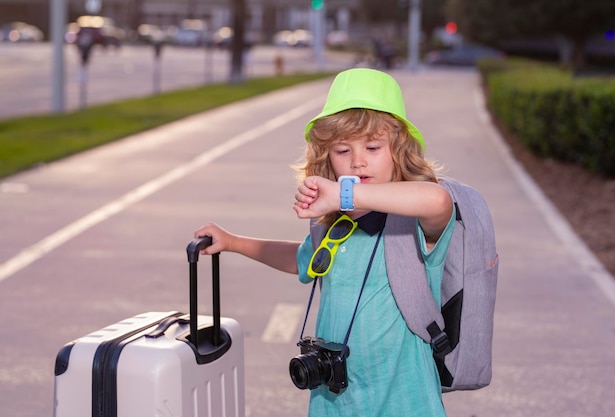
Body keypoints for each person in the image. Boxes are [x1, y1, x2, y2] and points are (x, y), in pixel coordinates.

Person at [194, 68, 456, 417]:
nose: (358, 160)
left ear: (400, 150)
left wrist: (344, 193)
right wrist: (233, 242)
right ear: (327, 157)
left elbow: (438, 201)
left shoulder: (414, 225)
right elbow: (299, 260)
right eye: (342, 149)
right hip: (335, 403)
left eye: (374, 147)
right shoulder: (336, 227)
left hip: (405, 403)